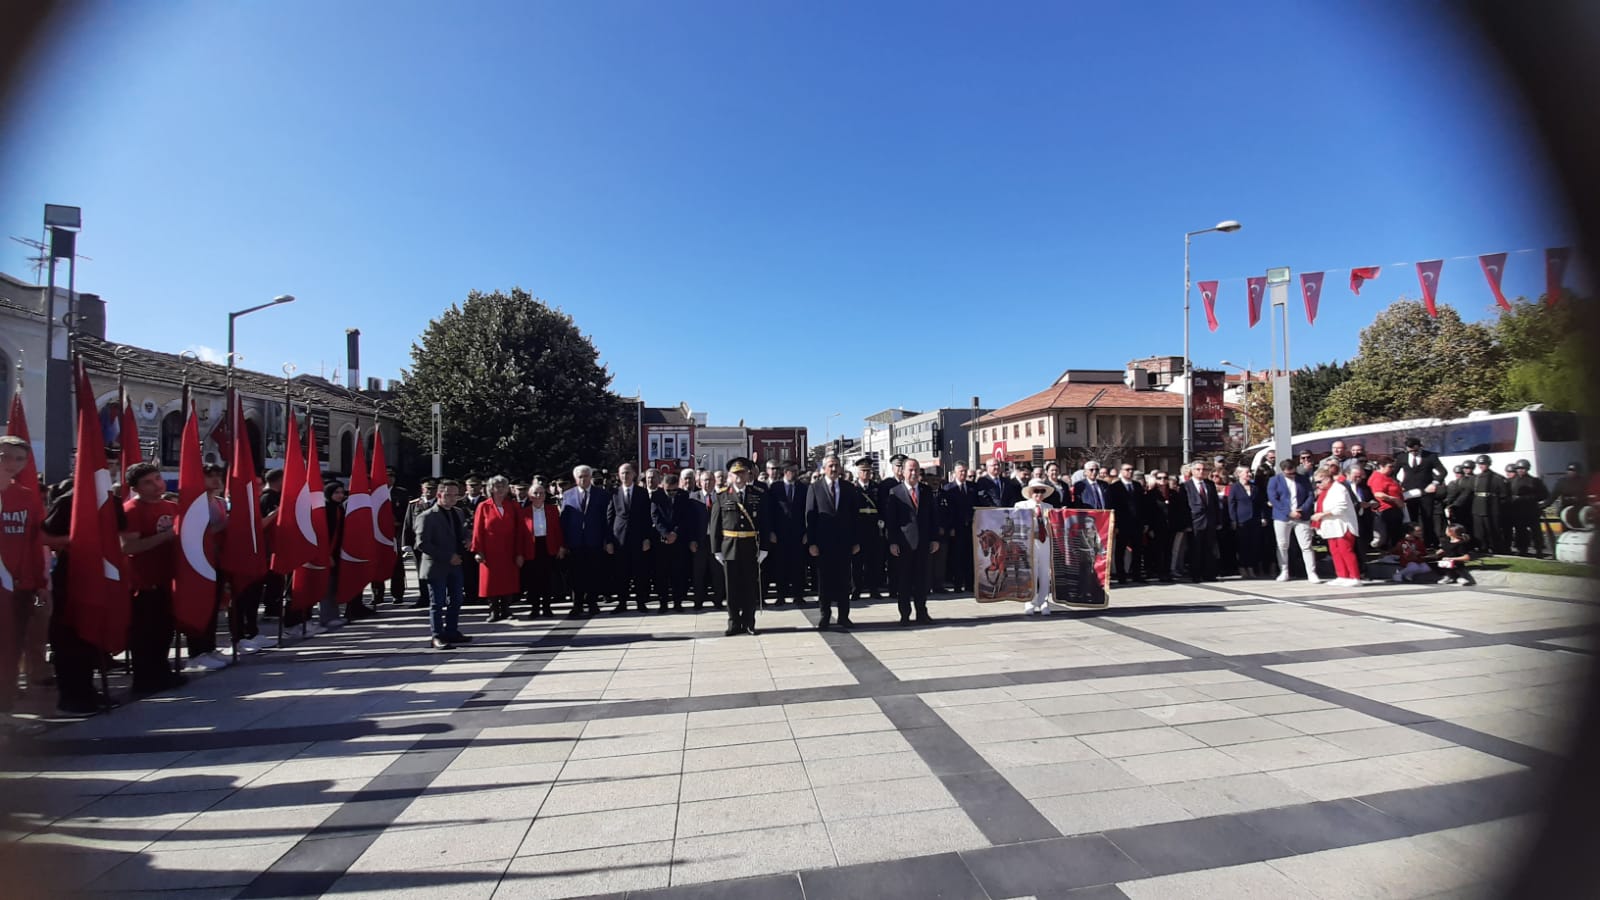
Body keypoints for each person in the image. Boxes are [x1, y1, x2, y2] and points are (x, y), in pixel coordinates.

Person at [0, 436, 47, 712]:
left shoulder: (28, 496)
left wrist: (38, 582)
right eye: (5, 456)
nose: (12, 464)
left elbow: (34, 542)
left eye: (19, 459)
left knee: (11, 650)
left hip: (20, 588)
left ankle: (5, 710)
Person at [884, 457, 941, 625]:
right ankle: (905, 614)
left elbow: (933, 517)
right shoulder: (895, 492)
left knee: (922, 581)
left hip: (923, 543)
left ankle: (922, 612)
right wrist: (892, 542)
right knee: (904, 581)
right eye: (911, 470)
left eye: (917, 470)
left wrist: (935, 538)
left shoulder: (926, 491)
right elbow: (891, 521)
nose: (914, 473)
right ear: (903, 472)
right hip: (903, 544)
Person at [710, 457, 763, 636]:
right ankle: (733, 622)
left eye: (742, 472)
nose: (739, 476)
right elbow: (715, 525)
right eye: (735, 473)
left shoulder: (758, 494)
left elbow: (765, 522)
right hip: (729, 547)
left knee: (750, 586)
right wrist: (716, 549)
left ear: (749, 474)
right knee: (731, 587)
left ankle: (749, 622)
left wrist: (764, 549)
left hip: (750, 546)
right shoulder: (722, 495)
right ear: (729, 476)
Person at [805, 454, 859, 628]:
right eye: (830, 466)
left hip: (844, 544)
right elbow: (810, 517)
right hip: (823, 544)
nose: (834, 469)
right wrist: (812, 542)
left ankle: (844, 615)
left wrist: (855, 541)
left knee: (844, 581)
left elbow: (854, 516)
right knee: (824, 582)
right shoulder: (814, 488)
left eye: (836, 465)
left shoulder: (849, 488)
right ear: (824, 468)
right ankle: (825, 615)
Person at [417, 479, 470, 648]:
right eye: (448, 495)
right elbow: (422, 543)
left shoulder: (458, 512)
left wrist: (468, 539)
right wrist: (448, 556)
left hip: (456, 564)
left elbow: (461, 533)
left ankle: (452, 631)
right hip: (437, 566)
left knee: (456, 599)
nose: (453, 498)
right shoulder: (427, 516)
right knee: (437, 602)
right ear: (439, 494)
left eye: (456, 495)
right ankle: (437, 635)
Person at [559, 465, 612, 618]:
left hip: (594, 540)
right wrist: (563, 543)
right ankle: (577, 604)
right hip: (575, 542)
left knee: (593, 573)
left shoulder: (601, 495)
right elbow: (564, 520)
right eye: (580, 476)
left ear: (591, 477)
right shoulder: (568, 495)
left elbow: (606, 520)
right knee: (576, 575)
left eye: (586, 476)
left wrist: (607, 540)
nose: (583, 479)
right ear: (576, 479)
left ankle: (593, 603)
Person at [471, 475, 524, 622]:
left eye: (503, 486)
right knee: (491, 582)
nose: (500, 489)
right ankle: (493, 610)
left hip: (509, 550)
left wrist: (519, 552)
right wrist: (478, 551)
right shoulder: (483, 506)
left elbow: (520, 530)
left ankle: (507, 609)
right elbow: (477, 530)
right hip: (490, 551)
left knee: (508, 580)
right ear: (491, 489)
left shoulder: (513, 506)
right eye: (497, 486)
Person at [607, 462, 654, 613]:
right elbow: (609, 517)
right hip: (619, 539)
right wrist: (608, 541)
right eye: (622, 473)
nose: (625, 476)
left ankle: (641, 602)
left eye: (628, 473)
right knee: (621, 573)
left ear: (634, 475)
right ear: (618, 476)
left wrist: (647, 538)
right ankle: (622, 603)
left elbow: (647, 517)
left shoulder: (642, 492)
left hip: (638, 538)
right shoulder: (614, 493)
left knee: (639, 572)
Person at [761, 462, 807, 605]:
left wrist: (807, 532)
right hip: (779, 534)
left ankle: (798, 595)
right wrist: (771, 531)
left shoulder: (803, 488)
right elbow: (769, 512)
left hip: (798, 534)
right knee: (780, 565)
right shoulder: (775, 488)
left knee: (798, 566)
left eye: (797, 470)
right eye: (793, 471)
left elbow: (807, 511)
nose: (796, 473)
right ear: (786, 471)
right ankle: (781, 595)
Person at [1268, 458, 1320, 584]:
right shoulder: (1275, 480)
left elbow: (1310, 495)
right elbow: (1273, 499)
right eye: (1288, 473)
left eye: (1293, 472)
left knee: (1306, 546)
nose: (1291, 475)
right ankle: (1284, 571)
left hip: (1301, 516)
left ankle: (1311, 573)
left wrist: (1302, 509)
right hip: (1282, 517)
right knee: (1282, 545)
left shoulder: (1302, 479)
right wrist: (1288, 512)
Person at [650, 471, 697, 611]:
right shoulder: (656, 496)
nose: (671, 493)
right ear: (663, 485)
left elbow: (685, 517)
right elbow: (655, 517)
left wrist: (675, 533)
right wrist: (665, 533)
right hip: (662, 541)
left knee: (679, 573)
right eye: (668, 490)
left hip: (679, 540)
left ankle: (678, 602)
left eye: (674, 490)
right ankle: (663, 602)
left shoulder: (683, 495)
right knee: (661, 573)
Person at [519, 479, 565, 617]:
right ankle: (534, 608)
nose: (538, 496)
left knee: (547, 578)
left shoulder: (552, 510)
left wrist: (561, 546)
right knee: (533, 580)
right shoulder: (524, 513)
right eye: (535, 493)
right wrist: (520, 553)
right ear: (530, 496)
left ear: (545, 495)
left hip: (548, 546)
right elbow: (520, 535)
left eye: (541, 493)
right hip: (531, 548)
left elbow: (558, 530)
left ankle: (546, 607)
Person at [1311, 464, 1361, 587]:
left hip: (1342, 525)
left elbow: (1340, 508)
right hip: (1331, 526)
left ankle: (1354, 576)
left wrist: (1322, 515)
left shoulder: (1339, 488)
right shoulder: (1324, 492)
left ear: (1327, 479)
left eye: (1319, 481)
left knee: (1346, 550)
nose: (1317, 485)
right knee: (1335, 551)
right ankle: (1342, 575)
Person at [1014, 478, 1055, 615]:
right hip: (1030, 542)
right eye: (1036, 491)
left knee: (1044, 573)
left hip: (1045, 542)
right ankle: (1029, 601)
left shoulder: (1049, 507)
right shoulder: (1021, 505)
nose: (1039, 494)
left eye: (1041, 491)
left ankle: (1044, 602)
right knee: (1030, 573)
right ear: (1030, 492)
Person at [1399, 437, 1449, 548]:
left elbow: (1443, 471)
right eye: (1411, 451)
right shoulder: (1402, 457)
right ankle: (1413, 541)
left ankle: (1429, 542)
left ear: (1420, 447)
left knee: (1427, 517)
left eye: (1416, 450)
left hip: (1426, 491)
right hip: (1410, 492)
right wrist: (1398, 486)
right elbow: (1393, 472)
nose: (1414, 453)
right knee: (1412, 518)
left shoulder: (1430, 456)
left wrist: (1434, 483)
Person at [1459, 454, 1510, 555]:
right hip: (1477, 507)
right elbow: (1467, 493)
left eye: (1484, 464)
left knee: (1493, 530)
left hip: (1492, 508)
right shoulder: (1475, 478)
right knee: (1479, 531)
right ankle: (1483, 548)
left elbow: (1504, 496)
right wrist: (1455, 504)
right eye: (1480, 464)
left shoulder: (1497, 478)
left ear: (1489, 464)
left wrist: (1497, 506)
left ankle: (1496, 549)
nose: (1481, 466)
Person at [685, 471, 721, 609]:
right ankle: (698, 601)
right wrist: (692, 540)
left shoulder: (720, 497)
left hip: (715, 540)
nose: (708, 483)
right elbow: (689, 522)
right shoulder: (693, 498)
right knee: (698, 572)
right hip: (699, 541)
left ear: (714, 481)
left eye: (711, 480)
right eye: (705, 480)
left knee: (717, 572)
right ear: (699, 482)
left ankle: (718, 600)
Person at [852, 457, 886, 602]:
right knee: (857, 563)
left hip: (874, 528)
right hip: (859, 529)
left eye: (868, 471)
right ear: (858, 472)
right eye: (863, 471)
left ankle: (874, 589)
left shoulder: (877, 488)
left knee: (874, 562)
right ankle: (856, 590)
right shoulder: (852, 488)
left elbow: (883, 507)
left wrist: (882, 521)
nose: (866, 474)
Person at [1141, 471, 1185, 582]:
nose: (1162, 480)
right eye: (1160, 478)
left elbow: (1178, 510)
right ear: (1156, 480)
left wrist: (1179, 525)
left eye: (1165, 478)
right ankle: (1159, 572)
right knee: (1158, 550)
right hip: (1157, 527)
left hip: (1170, 526)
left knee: (1168, 550)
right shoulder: (1151, 494)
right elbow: (1148, 513)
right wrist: (1149, 528)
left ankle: (1167, 571)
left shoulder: (1173, 493)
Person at [941, 462, 978, 592]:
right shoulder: (948, 489)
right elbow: (947, 511)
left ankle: (970, 584)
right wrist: (950, 527)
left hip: (971, 527)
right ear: (955, 473)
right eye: (960, 471)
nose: (963, 474)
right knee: (957, 557)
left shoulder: (973, 487)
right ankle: (957, 584)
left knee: (970, 557)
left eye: (965, 471)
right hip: (956, 528)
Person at [1182, 459, 1221, 582]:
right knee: (1195, 550)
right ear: (1192, 471)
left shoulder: (1210, 484)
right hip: (1195, 523)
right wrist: (1186, 523)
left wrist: (1218, 521)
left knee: (1209, 549)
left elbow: (1215, 504)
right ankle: (1195, 575)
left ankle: (1209, 574)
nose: (1201, 472)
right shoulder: (1186, 486)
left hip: (1209, 522)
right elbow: (1183, 506)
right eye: (1198, 469)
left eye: (1203, 469)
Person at [1227, 466, 1268, 578]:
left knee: (1254, 544)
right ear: (1239, 474)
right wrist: (1233, 520)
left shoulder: (1255, 487)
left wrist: (1263, 517)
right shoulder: (1235, 487)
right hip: (1242, 520)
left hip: (1254, 520)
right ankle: (1242, 567)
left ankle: (1251, 567)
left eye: (1250, 472)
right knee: (1243, 545)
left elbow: (1260, 504)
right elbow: (1231, 504)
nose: (1249, 474)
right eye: (1246, 472)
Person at [1107, 462, 1144, 583]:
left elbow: (1143, 506)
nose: (1130, 472)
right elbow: (1112, 506)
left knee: (1137, 551)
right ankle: (1121, 575)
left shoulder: (1137, 486)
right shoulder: (1115, 487)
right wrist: (1115, 525)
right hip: (1122, 524)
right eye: (1127, 469)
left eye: (1132, 469)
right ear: (1121, 471)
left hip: (1136, 524)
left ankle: (1136, 575)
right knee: (1120, 551)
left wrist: (1144, 523)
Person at [401, 479, 436, 609]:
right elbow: (408, 524)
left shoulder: (441, 504)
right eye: (427, 488)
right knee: (422, 572)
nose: (429, 491)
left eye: (432, 488)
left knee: (438, 572)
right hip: (419, 545)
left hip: (436, 544)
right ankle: (424, 597)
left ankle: (439, 597)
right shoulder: (414, 504)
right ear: (422, 489)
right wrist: (406, 543)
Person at [1508, 460, 1550, 557]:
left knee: (1536, 531)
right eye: (1518, 469)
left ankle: (1539, 549)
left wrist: (1526, 498)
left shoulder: (1535, 481)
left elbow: (1544, 495)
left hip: (1531, 510)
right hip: (1518, 510)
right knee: (1520, 531)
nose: (1520, 471)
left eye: (1523, 469)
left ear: (1527, 469)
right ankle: (1522, 549)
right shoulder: (1512, 481)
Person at [1367, 458, 1406, 552]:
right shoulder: (1378, 477)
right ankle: (1389, 552)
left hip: (1395, 508)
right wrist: (1394, 499)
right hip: (1387, 509)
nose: (1392, 469)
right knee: (1390, 534)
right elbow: (1378, 493)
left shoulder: (1388, 477)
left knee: (1397, 533)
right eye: (1390, 466)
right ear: (1381, 466)